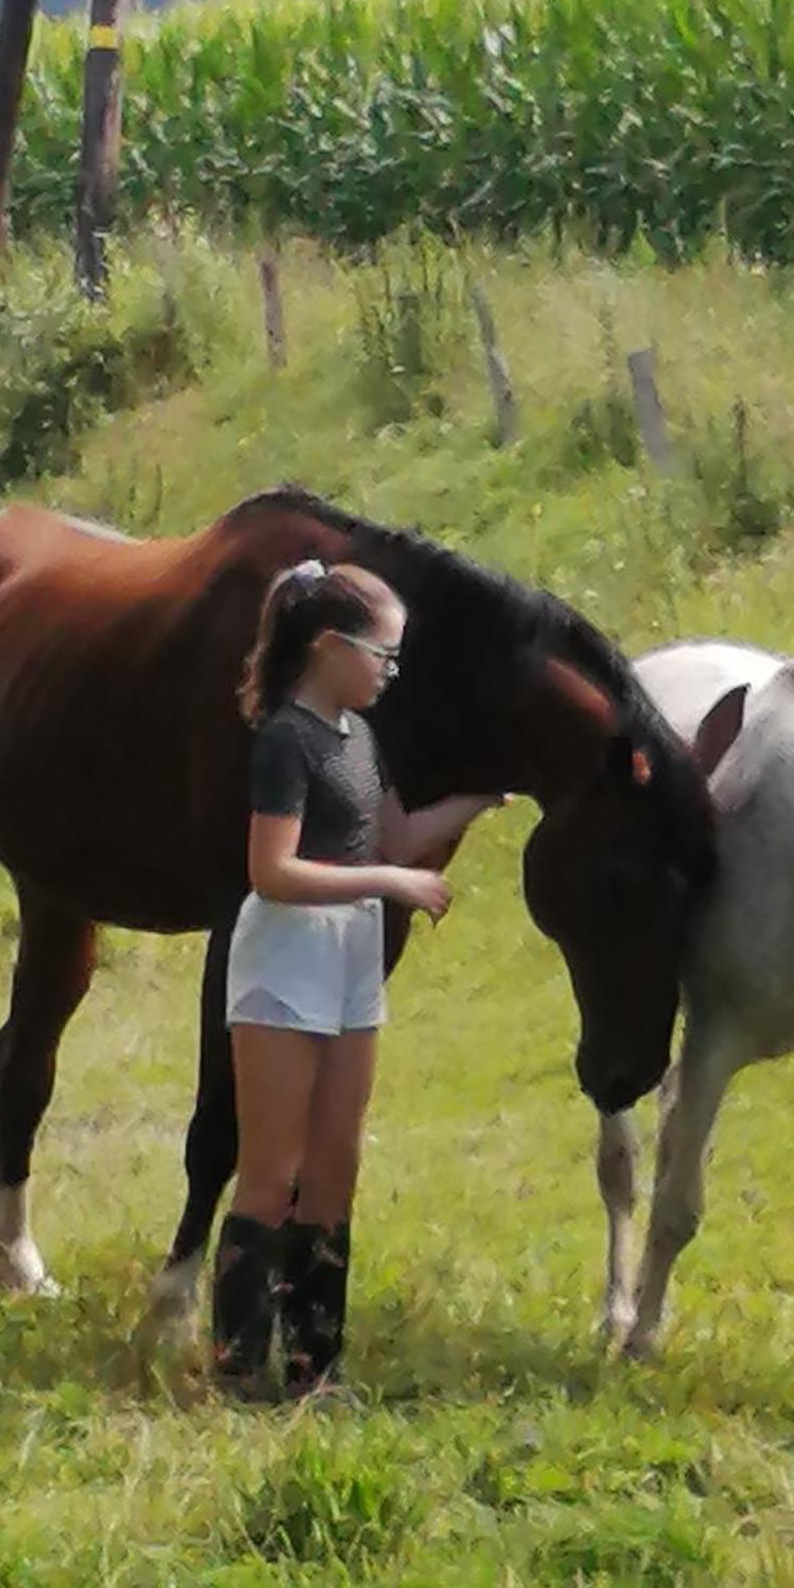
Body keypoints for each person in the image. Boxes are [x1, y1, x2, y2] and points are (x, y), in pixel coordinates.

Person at [211, 556, 502, 1400]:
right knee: (273, 1168)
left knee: (335, 1165)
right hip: (288, 956)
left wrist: (486, 797)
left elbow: (398, 834)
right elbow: (273, 870)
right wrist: (390, 883)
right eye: (383, 654)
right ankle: (237, 1370)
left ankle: (315, 1368)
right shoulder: (286, 740)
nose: (390, 672)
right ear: (329, 648)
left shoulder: (359, 738)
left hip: (349, 958)